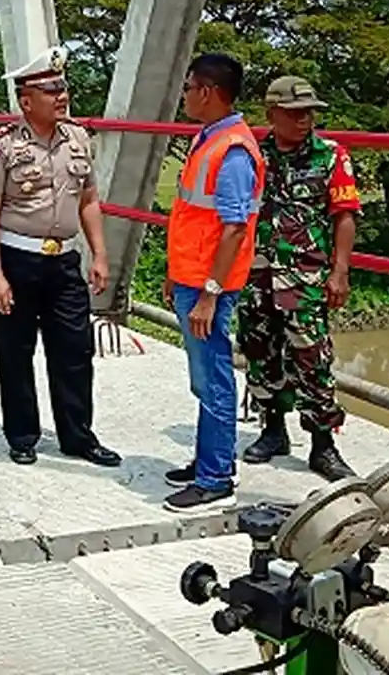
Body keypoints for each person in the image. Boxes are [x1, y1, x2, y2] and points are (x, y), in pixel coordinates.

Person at [0, 45, 122, 468]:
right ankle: (22, 435)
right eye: (50, 89)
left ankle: (78, 437)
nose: (61, 95)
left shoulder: (77, 139)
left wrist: (100, 254)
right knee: (15, 351)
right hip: (17, 260)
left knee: (75, 352)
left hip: (64, 263)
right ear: (25, 100)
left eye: (63, 87)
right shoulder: (1, 148)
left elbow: (89, 198)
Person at [237, 76, 358, 482]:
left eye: (309, 112)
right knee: (259, 352)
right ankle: (273, 431)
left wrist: (339, 272)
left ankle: (323, 446)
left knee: (313, 359)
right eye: (294, 113)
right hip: (256, 276)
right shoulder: (252, 154)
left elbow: (345, 216)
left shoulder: (330, 156)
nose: (304, 120)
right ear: (272, 114)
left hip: (306, 278)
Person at [162, 53, 265, 514]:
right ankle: (209, 459)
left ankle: (215, 477)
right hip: (191, 278)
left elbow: (234, 228)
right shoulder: (210, 139)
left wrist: (209, 292)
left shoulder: (233, 151)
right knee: (204, 379)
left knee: (215, 378)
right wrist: (176, 275)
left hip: (209, 287)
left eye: (187, 87)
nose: (183, 94)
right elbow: (192, 217)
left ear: (206, 91)